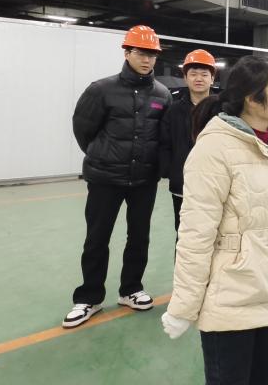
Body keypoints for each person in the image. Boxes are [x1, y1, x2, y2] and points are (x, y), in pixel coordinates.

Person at [161, 56, 268, 385]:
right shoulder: (214, 149)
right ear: (252, 98)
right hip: (231, 298)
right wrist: (183, 307)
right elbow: (195, 236)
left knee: (260, 377)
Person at [63, 25, 172, 328]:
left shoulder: (162, 95)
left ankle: (131, 290)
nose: (147, 59)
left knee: (139, 236)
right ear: (127, 52)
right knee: (97, 238)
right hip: (105, 179)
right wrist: (103, 154)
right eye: (141, 53)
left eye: (152, 54)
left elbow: (162, 137)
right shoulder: (101, 90)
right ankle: (89, 297)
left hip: (144, 180)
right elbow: (83, 129)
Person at [160, 49, 217, 233]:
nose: (198, 78)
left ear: (212, 79)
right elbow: (165, 143)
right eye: (193, 74)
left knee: (216, 234)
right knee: (184, 233)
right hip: (182, 185)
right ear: (185, 78)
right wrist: (170, 171)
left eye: (204, 74)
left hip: (216, 184)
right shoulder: (173, 110)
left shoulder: (223, 110)